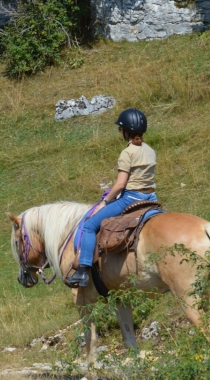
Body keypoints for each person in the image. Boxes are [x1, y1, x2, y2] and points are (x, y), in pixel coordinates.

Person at [66, 108, 157, 288]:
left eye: (120, 129)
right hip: (151, 197)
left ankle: (83, 270)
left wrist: (105, 202)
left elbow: (121, 184)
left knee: (90, 225)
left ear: (126, 131)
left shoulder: (127, 153)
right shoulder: (150, 150)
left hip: (131, 198)